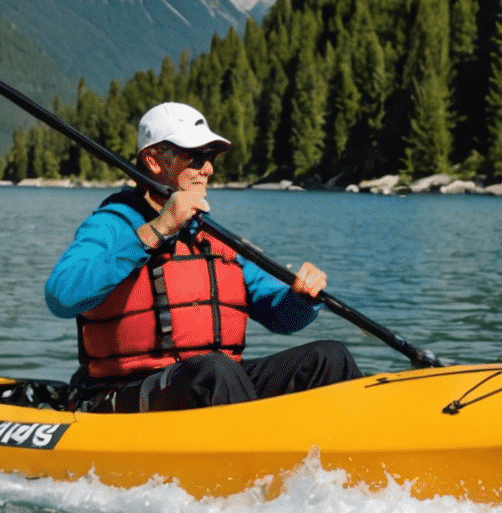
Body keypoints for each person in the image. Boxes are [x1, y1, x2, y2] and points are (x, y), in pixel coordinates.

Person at [45, 102, 363, 412]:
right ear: (154, 161)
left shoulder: (211, 236)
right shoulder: (113, 224)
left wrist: (302, 298)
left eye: (210, 157)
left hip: (214, 385)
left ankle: (359, 454)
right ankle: (251, 458)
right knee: (214, 373)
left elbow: (280, 316)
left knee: (329, 358)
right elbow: (61, 296)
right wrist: (158, 230)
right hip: (125, 394)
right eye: (196, 157)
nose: (208, 168)